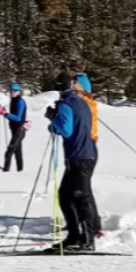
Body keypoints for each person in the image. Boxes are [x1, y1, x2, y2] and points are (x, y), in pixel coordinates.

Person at [46, 73, 101, 252]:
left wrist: (53, 118)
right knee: (66, 195)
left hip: (79, 156)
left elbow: (67, 131)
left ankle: (87, 240)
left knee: (80, 197)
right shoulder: (82, 102)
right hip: (85, 154)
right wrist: (55, 121)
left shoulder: (65, 103)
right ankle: (74, 236)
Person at [0, 83, 28, 172]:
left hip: (19, 130)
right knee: (17, 153)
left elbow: (18, 117)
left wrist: (5, 114)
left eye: (14, 91)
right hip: (15, 130)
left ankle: (6, 172)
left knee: (8, 153)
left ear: (18, 91)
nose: (12, 92)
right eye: (10, 90)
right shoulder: (13, 100)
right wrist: (5, 112)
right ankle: (20, 172)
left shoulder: (20, 101)